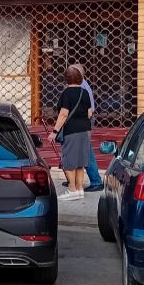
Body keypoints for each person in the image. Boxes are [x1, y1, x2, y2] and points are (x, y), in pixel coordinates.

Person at [48, 66, 93, 201]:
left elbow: (63, 114)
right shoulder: (84, 92)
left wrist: (54, 132)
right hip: (85, 130)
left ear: (66, 79)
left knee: (67, 160)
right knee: (80, 161)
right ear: (80, 78)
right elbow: (90, 113)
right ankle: (80, 189)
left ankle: (72, 189)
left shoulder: (66, 93)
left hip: (71, 131)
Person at [74, 63, 104, 192]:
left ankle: (96, 180)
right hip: (82, 122)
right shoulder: (82, 85)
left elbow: (87, 110)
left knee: (85, 151)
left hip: (82, 123)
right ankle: (74, 181)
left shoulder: (81, 87)